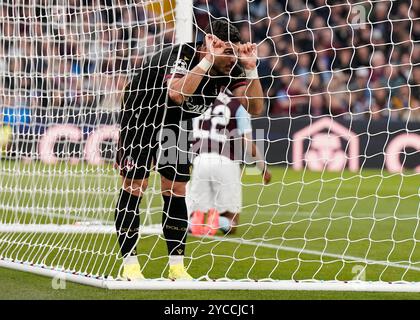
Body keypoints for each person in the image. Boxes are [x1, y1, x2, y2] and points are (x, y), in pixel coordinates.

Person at [114, 19, 264, 281]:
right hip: (141, 117)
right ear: (209, 45)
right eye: (228, 52)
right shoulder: (182, 55)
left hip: (176, 123)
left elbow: (255, 108)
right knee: (135, 186)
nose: (232, 58)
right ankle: (130, 265)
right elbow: (177, 94)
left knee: (176, 189)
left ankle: (177, 267)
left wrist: (251, 70)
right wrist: (207, 61)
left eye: (235, 51)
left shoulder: (232, 66)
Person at [187, 91, 271, 236]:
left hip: (200, 160)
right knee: (232, 222)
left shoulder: (200, 98)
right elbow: (248, 144)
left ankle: (194, 221)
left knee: (196, 206)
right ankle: (218, 220)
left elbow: (189, 132)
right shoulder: (237, 105)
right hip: (226, 161)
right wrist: (263, 169)